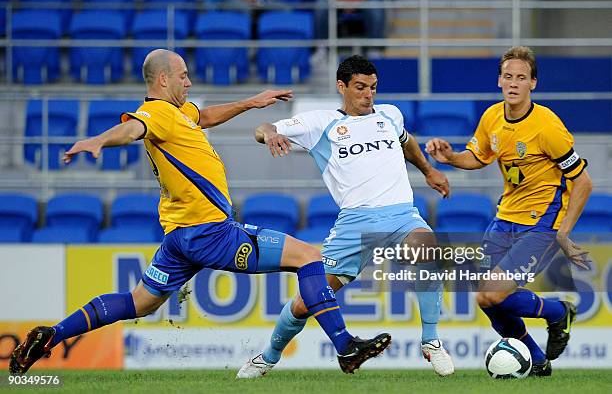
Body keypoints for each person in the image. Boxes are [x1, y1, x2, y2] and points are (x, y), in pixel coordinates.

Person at [9, 49, 391, 375]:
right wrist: (97, 139)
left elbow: (204, 117)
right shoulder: (155, 113)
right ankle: (344, 346)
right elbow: (130, 131)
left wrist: (249, 102)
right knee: (309, 257)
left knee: (138, 301)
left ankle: (52, 334)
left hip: (179, 238)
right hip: (212, 233)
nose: (189, 82)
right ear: (162, 79)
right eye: (183, 76)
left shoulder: (179, 113)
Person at [237, 55, 455, 378]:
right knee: (305, 302)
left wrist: (428, 170)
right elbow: (264, 127)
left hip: (401, 216)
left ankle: (431, 340)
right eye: (361, 87)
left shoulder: (390, 115)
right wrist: (269, 134)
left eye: (373, 88)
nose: (369, 95)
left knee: (427, 244)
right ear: (342, 87)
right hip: (354, 224)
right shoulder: (320, 124)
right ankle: (267, 357)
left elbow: (407, 143)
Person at [425, 46, 593, 377]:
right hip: (505, 217)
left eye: (521, 77)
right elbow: (478, 156)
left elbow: (583, 182)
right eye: (507, 76)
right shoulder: (492, 117)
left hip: (542, 222)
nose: (513, 83)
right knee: (485, 299)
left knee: (493, 292)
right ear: (499, 80)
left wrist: (563, 232)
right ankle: (537, 360)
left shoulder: (547, 126)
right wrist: (450, 158)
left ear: (533, 83)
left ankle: (558, 312)